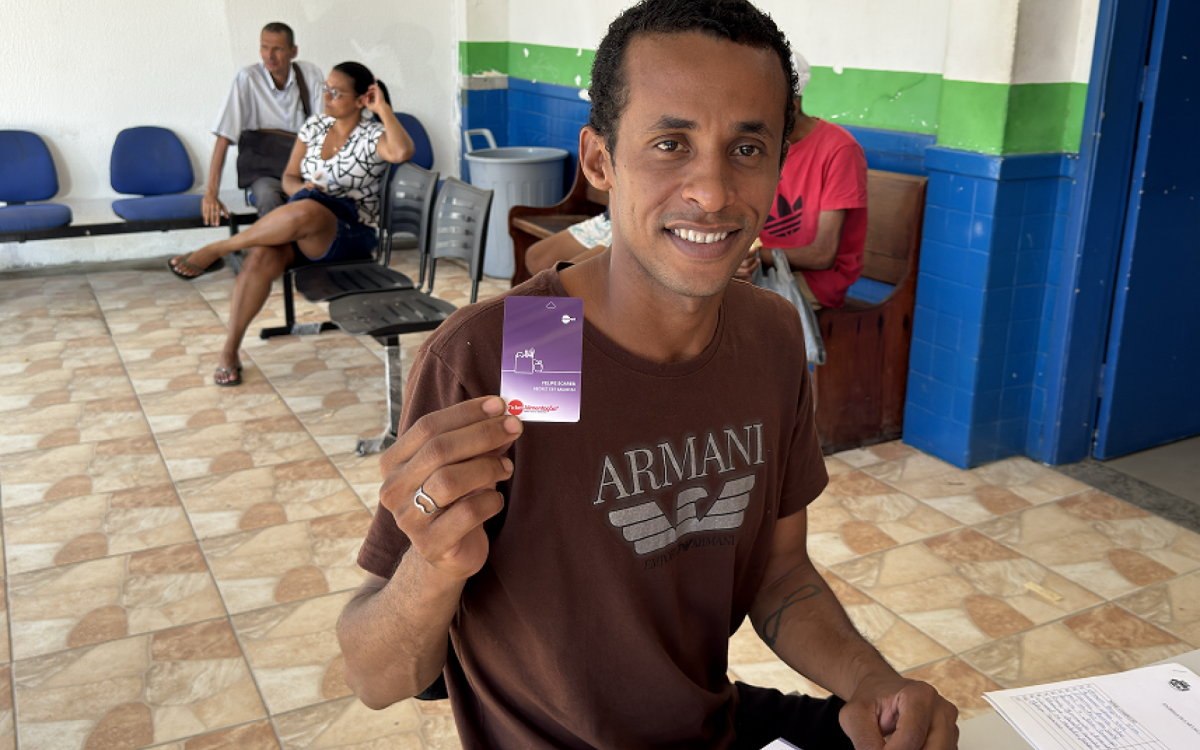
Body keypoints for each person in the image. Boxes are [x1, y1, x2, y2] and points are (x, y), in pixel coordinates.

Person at [337, 1, 958, 748]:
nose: (713, 191)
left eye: (747, 149)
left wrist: (873, 683)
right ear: (599, 161)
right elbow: (377, 679)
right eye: (671, 143)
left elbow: (780, 575)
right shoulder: (514, 351)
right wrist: (433, 571)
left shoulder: (767, 337)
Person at [169, 62, 415, 387]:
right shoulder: (314, 126)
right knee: (262, 254)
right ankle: (230, 351)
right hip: (305, 220)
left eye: (336, 92)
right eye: (326, 89)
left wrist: (381, 108)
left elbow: (402, 151)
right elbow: (288, 177)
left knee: (306, 212)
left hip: (350, 231)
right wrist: (300, 190)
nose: (326, 96)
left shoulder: (374, 135)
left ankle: (220, 247)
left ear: (361, 99)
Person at [756, 52, 868, 309]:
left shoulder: (840, 150)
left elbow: (821, 256)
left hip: (815, 280)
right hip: (762, 264)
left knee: (737, 315)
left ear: (791, 108)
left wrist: (750, 254)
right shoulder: (762, 145)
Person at [203, 22, 325, 226]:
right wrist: (210, 194)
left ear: (293, 51)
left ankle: (313, 254)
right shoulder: (247, 78)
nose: (269, 55)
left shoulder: (310, 75)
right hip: (265, 172)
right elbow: (224, 137)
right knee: (269, 197)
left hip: (303, 170)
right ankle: (274, 254)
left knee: (321, 199)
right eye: (264, 47)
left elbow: (325, 129)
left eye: (277, 49)